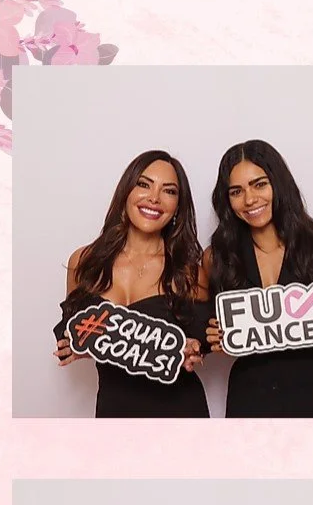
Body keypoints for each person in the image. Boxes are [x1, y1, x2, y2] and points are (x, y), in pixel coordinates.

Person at [54, 150, 209, 417]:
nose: (154, 198)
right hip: (113, 412)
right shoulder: (84, 262)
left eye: (169, 191)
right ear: (126, 192)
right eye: (144, 184)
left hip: (180, 413)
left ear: (177, 207)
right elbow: (75, 334)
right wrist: (79, 346)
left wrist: (195, 348)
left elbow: (206, 339)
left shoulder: (189, 273)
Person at [201, 140, 313, 418]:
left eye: (259, 184)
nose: (249, 199)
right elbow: (215, 336)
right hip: (250, 395)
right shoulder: (216, 258)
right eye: (236, 191)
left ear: (278, 184)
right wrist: (215, 338)